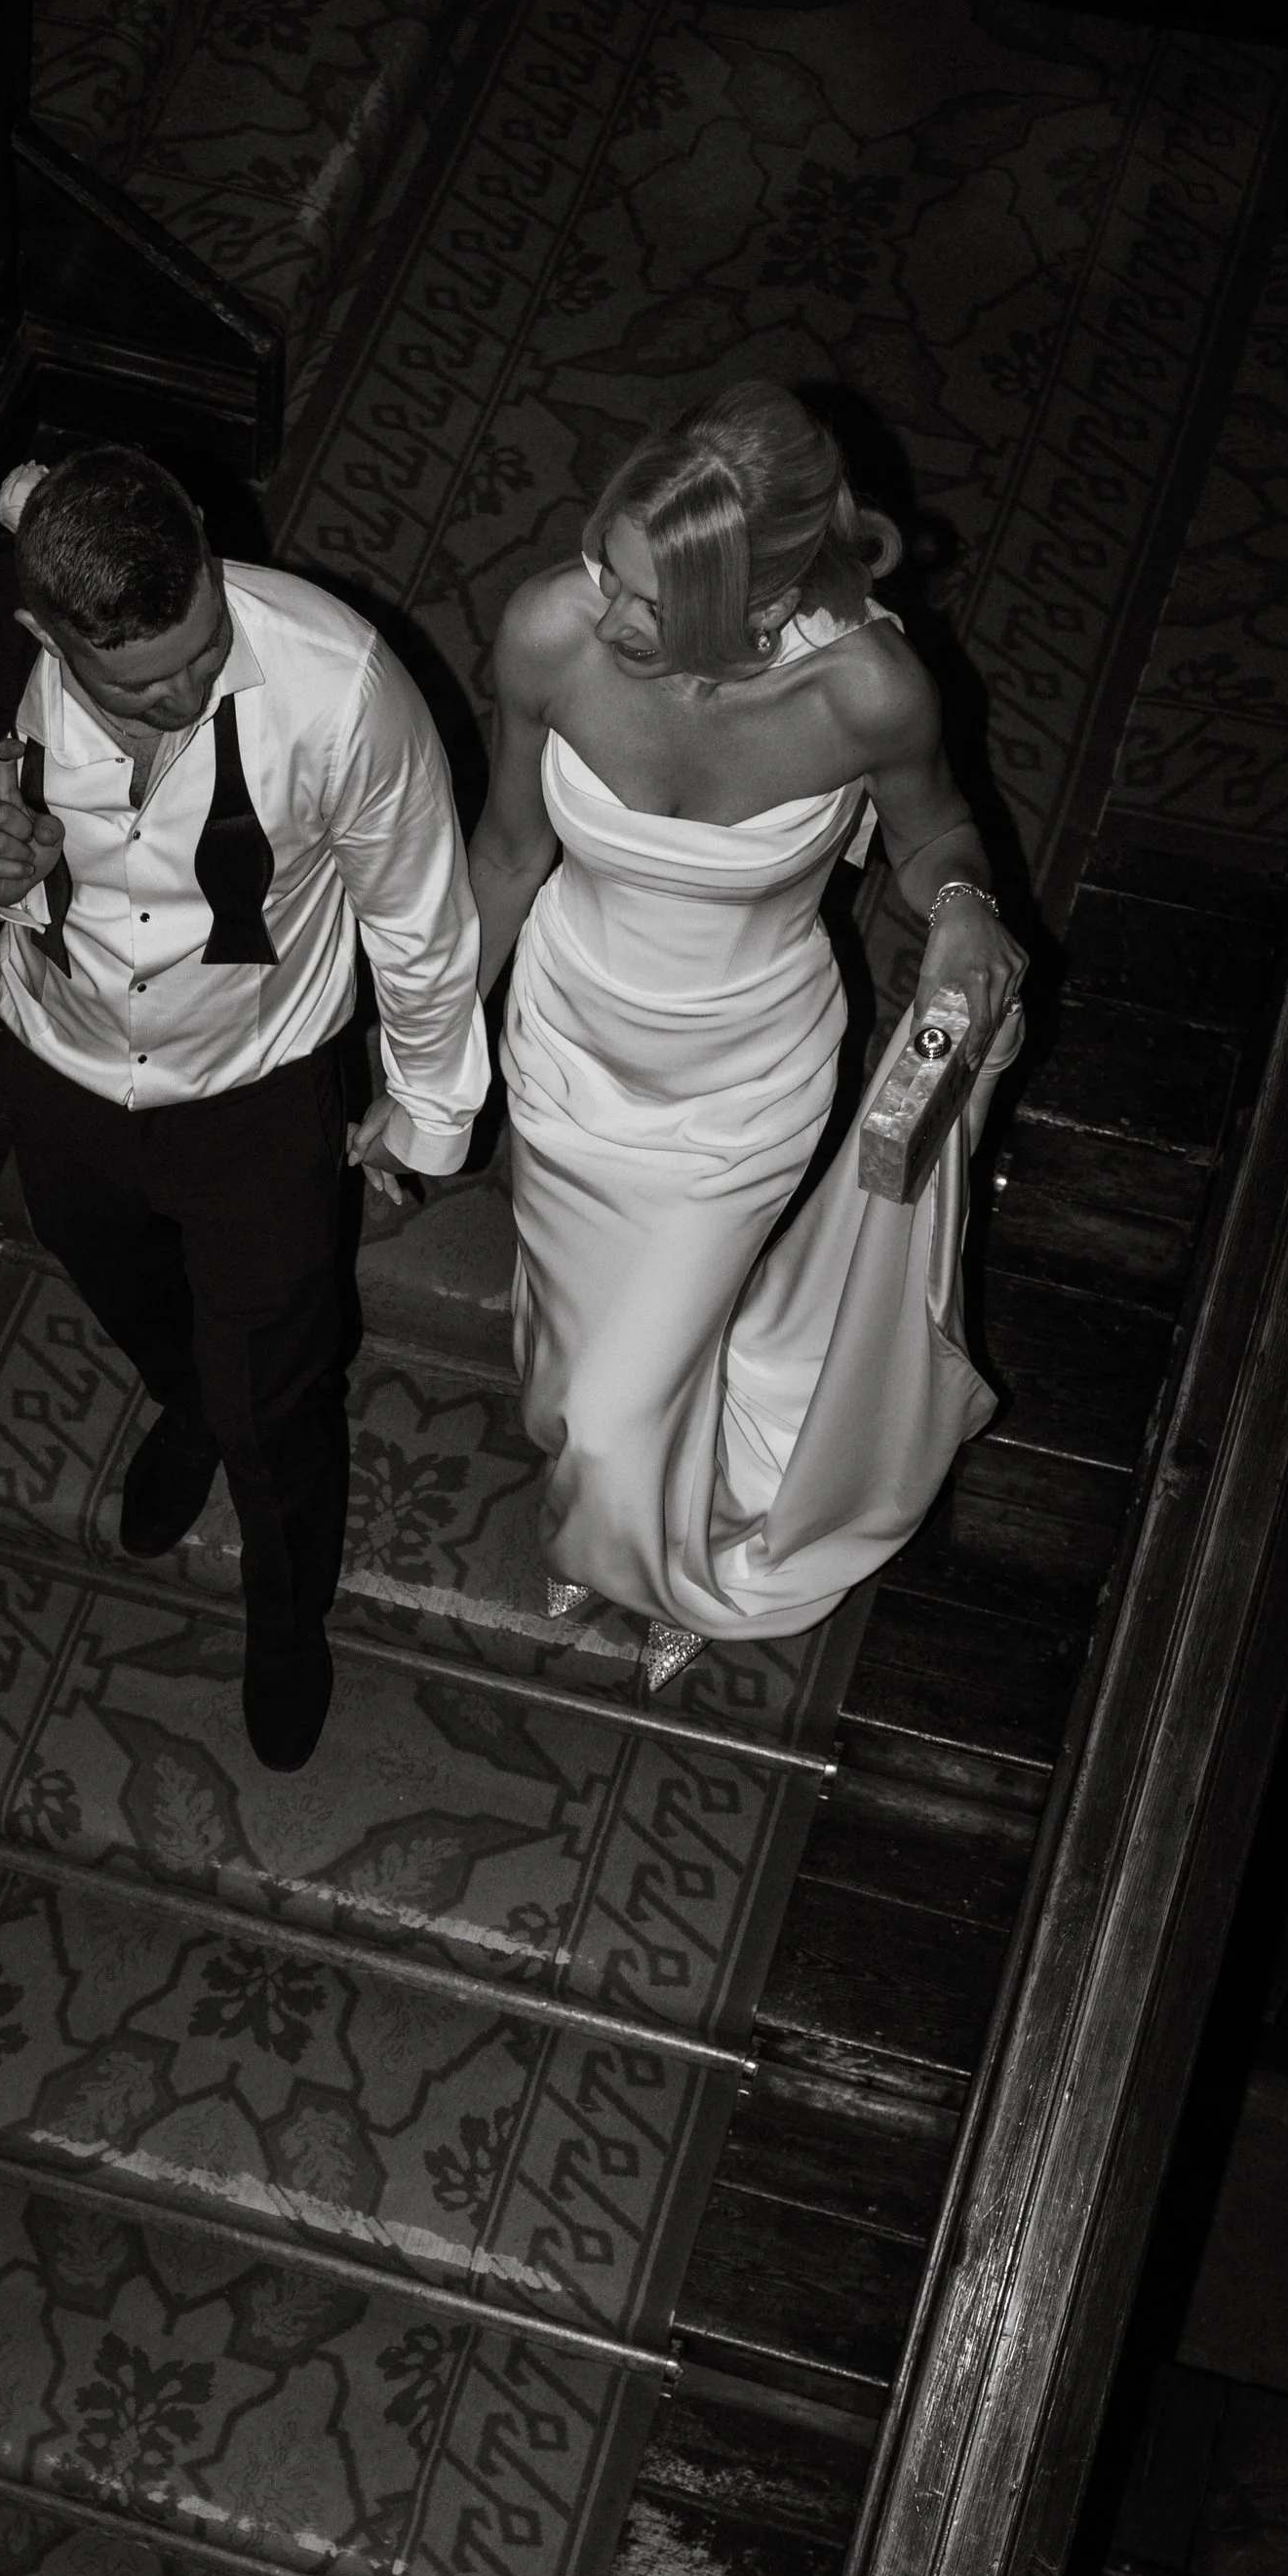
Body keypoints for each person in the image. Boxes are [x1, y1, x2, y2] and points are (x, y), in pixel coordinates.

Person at [0, 444, 487, 1772]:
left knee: (280, 1390)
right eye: (146, 683)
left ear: (210, 555)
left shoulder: (340, 689)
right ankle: (185, 1399)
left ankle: (286, 1611)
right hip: (62, 1061)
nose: (194, 688)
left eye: (206, 649)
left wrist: (427, 1112)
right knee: (122, 1284)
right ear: (47, 631)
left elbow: (421, 916)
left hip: (262, 1087)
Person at [470, 379, 1028, 1687]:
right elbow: (506, 847)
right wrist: (433, 1047)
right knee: (571, 1354)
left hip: (740, 1089)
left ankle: (646, 1551)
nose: (605, 613)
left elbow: (939, 830)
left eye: (647, 603)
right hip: (563, 1045)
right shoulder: (555, 632)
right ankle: (629, 1498)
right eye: (608, 570)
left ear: (765, 605)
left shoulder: (868, 691)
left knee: (611, 1412)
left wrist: (956, 904)